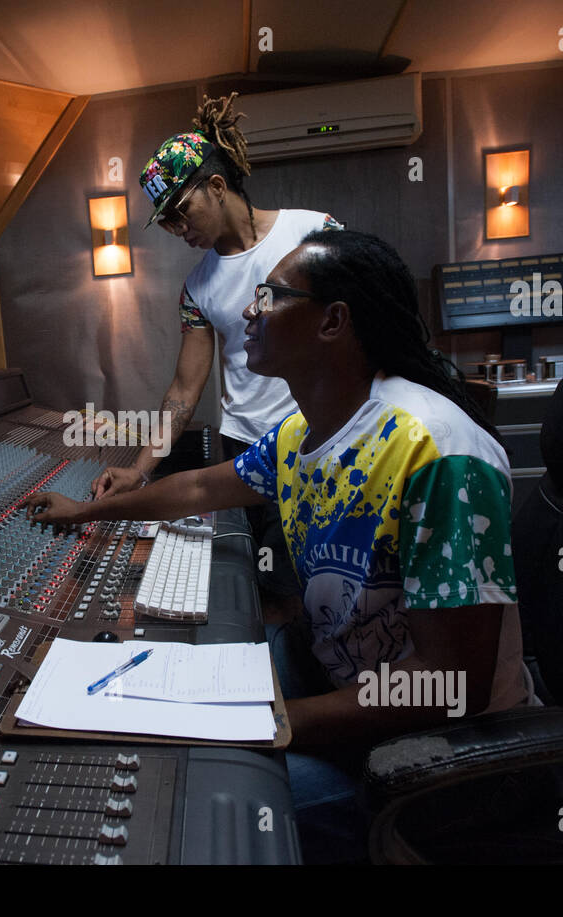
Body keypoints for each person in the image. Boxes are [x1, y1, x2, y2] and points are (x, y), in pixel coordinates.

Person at [24, 229, 536, 861]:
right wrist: (89, 510)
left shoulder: (437, 452)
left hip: (449, 758)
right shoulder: (300, 432)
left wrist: (275, 720)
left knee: (188, 809)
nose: (248, 310)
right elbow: (196, 491)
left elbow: (451, 684)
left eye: (269, 296)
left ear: (333, 322)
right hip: (344, 684)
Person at [90, 92, 344, 602]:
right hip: (245, 449)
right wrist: (139, 472)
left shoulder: (316, 232)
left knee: (323, 590)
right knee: (262, 591)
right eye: (166, 222)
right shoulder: (196, 288)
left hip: (322, 446)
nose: (177, 229)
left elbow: (362, 329)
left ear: (217, 185)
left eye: (181, 212)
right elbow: (184, 390)